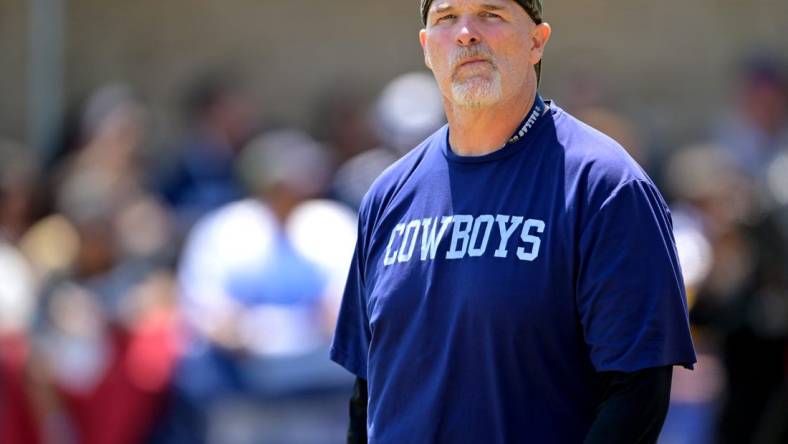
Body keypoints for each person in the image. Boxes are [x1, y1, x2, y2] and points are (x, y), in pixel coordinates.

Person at [330, 0, 697, 442]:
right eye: (447, 18)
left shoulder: (604, 186)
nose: (466, 33)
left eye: (491, 14)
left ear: (537, 43)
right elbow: (366, 394)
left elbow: (636, 394)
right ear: (427, 48)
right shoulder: (387, 195)